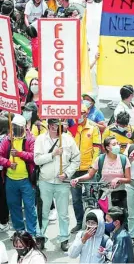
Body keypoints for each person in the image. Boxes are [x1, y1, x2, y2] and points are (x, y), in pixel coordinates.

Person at [34, 118, 80, 251]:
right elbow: (36, 160)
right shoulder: (40, 140)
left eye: (58, 126)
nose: (56, 128)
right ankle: (40, 237)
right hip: (45, 181)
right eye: (53, 126)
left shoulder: (68, 139)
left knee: (63, 213)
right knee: (43, 212)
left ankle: (64, 238)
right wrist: (52, 155)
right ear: (48, 126)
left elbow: (76, 159)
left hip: (62, 182)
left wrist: (67, 174)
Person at [0, 114, 37, 237]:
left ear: (24, 127)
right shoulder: (7, 139)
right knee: (14, 207)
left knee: (29, 208)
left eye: (18, 127)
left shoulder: (31, 139)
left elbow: (34, 156)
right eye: (14, 126)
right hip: (11, 180)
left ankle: (31, 233)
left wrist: (20, 154)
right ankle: (19, 231)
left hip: (26, 180)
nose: (15, 129)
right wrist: (9, 163)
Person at [71, 136, 131, 211]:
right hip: (104, 193)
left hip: (119, 194)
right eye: (114, 144)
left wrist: (118, 179)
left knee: (119, 219)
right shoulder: (100, 159)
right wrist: (78, 179)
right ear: (108, 148)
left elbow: (128, 179)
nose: (117, 146)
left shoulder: (124, 159)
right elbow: (90, 175)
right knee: (103, 218)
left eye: (117, 144)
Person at [70, 104, 101, 233]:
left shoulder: (93, 127)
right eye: (77, 113)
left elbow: (97, 148)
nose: (79, 116)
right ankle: (79, 222)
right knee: (76, 199)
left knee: (91, 197)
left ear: (86, 113)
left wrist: (93, 167)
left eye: (82, 113)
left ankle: (93, 223)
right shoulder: (71, 128)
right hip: (74, 169)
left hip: (89, 169)